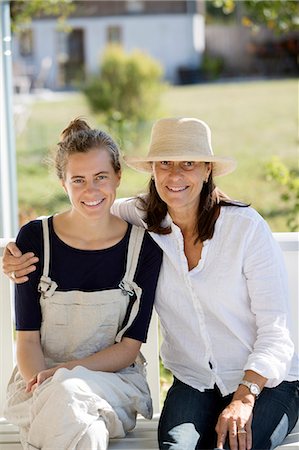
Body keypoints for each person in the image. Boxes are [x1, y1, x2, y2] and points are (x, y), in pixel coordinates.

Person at [3, 117, 298, 450]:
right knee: (175, 448)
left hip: (264, 384)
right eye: (165, 164)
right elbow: (90, 206)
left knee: (238, 446)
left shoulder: (245, 229)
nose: (175, 175)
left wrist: (245, 398)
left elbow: (276, 333)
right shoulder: (142, 218)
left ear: (207, 171)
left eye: (189, 163)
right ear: (153, 171)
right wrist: (17, 254)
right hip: (195, 382)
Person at [3, 118, 162, 450]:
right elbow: (28, 339)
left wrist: (63, 375)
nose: (91, 190)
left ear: (118, 176)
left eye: (101, 177)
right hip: (39, 384)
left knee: (67, 395)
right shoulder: (36, 239)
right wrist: (43, 383)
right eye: (78, 180)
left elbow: (128, 349)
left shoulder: (142, 249)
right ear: (64, 183)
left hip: (112, 384)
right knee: (82, 428)